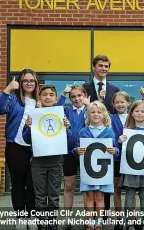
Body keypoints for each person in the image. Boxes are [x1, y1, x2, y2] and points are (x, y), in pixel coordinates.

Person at [0, 68, 40, 230]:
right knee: (18, 183)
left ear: (36, 83)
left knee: (32, 183)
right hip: (15, 147)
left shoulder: (40, 102)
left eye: (32, 81)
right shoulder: (13, 100)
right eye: (25, 80)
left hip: (36, 148)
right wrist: (7, 89)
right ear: (20, 82)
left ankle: (32, 215)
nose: (29, 83)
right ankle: (21, 216)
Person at [23, 85, 70, 230]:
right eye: (44, 94)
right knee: (40, 196)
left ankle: (52, 222)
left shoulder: (61, 116)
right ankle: (42, 223)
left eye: (51, 95)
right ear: (39, 98)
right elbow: (26, 139)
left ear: (56, 99)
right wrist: (28, 128)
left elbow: (69, 139)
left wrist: (67, 128)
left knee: (54, 195)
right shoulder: (34, 115)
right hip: (38, 162)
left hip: (56, 162)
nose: (48, 97)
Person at [72, 101, 119, 230]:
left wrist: (115, 151)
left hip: (103, 171)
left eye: (99, 112)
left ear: (104, 115)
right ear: (87, 114)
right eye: (92, 112)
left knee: (99, 196)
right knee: (89, 196)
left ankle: (98, 222)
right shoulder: (83, 131)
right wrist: (77, 151)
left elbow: (115, 149)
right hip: (88, 170)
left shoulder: (109, 132)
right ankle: (89, 222)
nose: (96, 114)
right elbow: (76, 149)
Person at [83, 54, 119, 212]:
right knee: (89, 187)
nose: (103, 69)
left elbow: (114, 112)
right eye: (100, 66)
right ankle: (90, 219)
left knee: (105, 181)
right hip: (88, 137)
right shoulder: (84, 88)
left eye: (106, 66)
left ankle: (102, 218)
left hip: (105, 138)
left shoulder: (114, 89)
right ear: (93, 67)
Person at [117, 100, 144, 230]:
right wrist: (119, 141)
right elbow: (121, 149)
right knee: (129, 195)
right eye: (137, 111)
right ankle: (129, 222)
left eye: (143, 111)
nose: (140, 113)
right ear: (132, 113)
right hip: (130, 168)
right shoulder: (127, 131)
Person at [56, 84, 90, 230]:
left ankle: (87, 218)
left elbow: (103, 116)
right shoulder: (66, 111)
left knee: (86, 187)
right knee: (69, 186)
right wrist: (63, 95)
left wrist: (90, 105)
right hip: (69, 152)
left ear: (85, 96)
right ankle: (66, 218)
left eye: (79, 96)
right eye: (73, 97)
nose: (77, 99)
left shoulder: (90, 110)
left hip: (86, 152)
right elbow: (55, 109)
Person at [110, 91, 131, 230]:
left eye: (122, 102)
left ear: (128, 103)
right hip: (117, 158)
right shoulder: (110, 118)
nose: (119, 104)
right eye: (117, 102)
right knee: (117, 188)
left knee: (131, 189)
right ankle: (118, 218)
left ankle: (131, 217)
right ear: (113, 104)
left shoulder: (134, 116)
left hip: (132, 159)